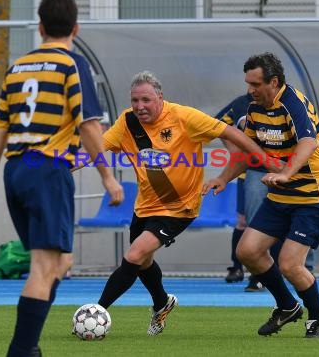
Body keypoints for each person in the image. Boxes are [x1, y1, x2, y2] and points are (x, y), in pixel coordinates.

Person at [0, 0, 124, 357]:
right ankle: (22, 350)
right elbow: (88, 125)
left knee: (60, 262)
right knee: (45, 265)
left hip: (16, 171)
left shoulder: (17, 67)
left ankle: (30, 346)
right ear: (75, 28)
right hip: (47, 169)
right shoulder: (73, 64)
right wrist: (108, 178)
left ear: (39, 27)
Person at [95, 70, 280, 336]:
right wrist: (62, 166)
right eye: (135, 100)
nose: (139, 106)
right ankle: (162, 302)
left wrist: (264, 160)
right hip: (146, 204)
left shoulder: (184, 117)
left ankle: (97, 311)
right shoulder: (127, 122)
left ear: (160, 97)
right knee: (143, 261)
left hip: (179, 206)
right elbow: (96, 149)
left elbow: (229, 132)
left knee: (134, 254)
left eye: (146, 100)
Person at [203, 52, 319, 338]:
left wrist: (287, 173)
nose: (249, 90)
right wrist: (223, 178)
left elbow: (308, 143)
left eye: (255, 84)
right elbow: (248, 153)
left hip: (313, 194)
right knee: (247, 251)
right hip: (281, 194)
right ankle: (287, 306)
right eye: (247, 84)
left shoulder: (293, 103)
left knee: (290, 263)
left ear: (273, 82)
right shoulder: (254, 110)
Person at [214, 94, 266, 291]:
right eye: (250, 83)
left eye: (256, 83)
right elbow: (217, 124)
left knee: (271, 224)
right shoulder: (240, 103)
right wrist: (235, 150)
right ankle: (239, 268)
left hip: (279, 172)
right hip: (249, 173)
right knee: (245, 221)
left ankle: (271, 272)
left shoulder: (284, 103)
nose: (253, 88)